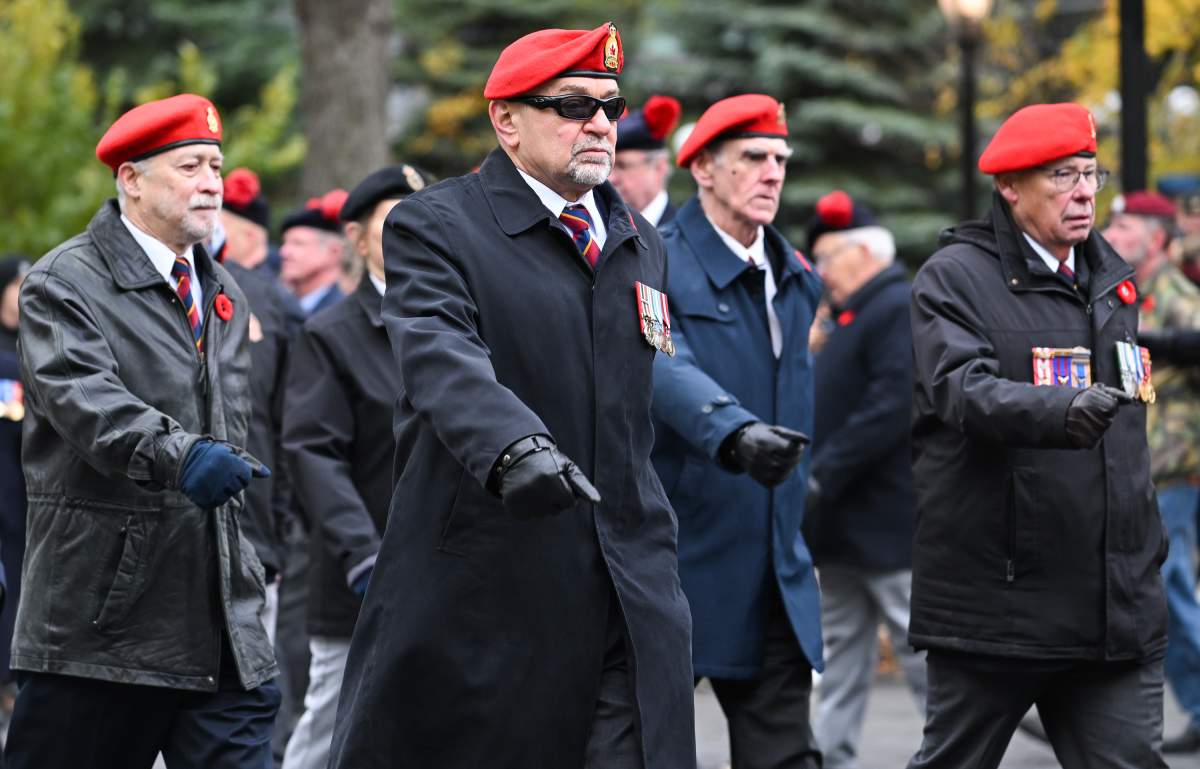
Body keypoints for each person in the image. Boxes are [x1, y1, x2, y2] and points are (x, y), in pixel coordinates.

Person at [327, 23, 694, 769]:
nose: (598, 123)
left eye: (610, 106)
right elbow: (439, 354)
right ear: (507, 121)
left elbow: (640, 394)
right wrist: (515, 444)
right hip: (492, 590)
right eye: (571, 105)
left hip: (626, 588)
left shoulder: (637, 239)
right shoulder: (439, 225)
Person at [6, 93, 278, 769]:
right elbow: (85, 402)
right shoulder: (63, 283)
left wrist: (255, 553)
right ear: (131, 179)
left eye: (216, 164)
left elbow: (242, 433)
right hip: (103, 626)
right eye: (190, 165)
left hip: (222, 627)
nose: (211, 181)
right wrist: (183, 455)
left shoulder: (223, 291)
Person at [907, 102, 1167, 769]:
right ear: (1009, 186)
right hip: (1001, 609)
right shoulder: (954, 276)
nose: (1083, 192)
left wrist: (1147, 552)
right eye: (1061, 176)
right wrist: (1058, 409)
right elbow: (959, 388)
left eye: (1090, 173)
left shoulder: (1112, 279)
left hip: (1113, 607)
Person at [650, 93, 823, 769]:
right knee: (641, 750)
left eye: (781, 158)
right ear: (703, 168)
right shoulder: (657, 261)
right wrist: (735, 432)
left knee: (787, 756)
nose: (773, 173)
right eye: (753, 157)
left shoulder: (794, 273)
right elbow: (663, 364)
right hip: (677, 564)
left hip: (771, 568)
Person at [280, 163, 431, 769]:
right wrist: (362, 553)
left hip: (452, 572)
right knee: (333, 730)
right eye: (395, 225)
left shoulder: (465, 322)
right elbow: (313, 451)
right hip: (363, 575)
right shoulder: (333, 334)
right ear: (358, 238)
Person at [803, 190, 926, 769]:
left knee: (919, 652)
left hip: (886, 520)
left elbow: (889, 406)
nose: (822, 271)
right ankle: (830, 757)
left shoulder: (894, 305)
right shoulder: (856, 312)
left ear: (865, 253)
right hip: (847, 525)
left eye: (829, 257)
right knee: (842, 656)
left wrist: (824, 470)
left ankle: (954, 754)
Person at [1103, 190, 1200, 753]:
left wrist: (1153, 340)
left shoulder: (1177, 294)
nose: (1112, 234)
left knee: (1168, 588)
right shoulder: (1125, 291)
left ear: (1156, 240)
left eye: (1124, 228)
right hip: (1143, 462)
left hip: (1173, 465)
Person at [609, 94, 681, 226]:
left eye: (622, 166)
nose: (610, 178)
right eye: (608, 166)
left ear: (659, 166)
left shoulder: (685, 234)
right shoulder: (599, 230)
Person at [279, 190, 347, 316]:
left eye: (298, 243)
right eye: (284, 243)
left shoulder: (344, 314)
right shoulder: (278, 305)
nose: (284, 252)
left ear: (334, 252)